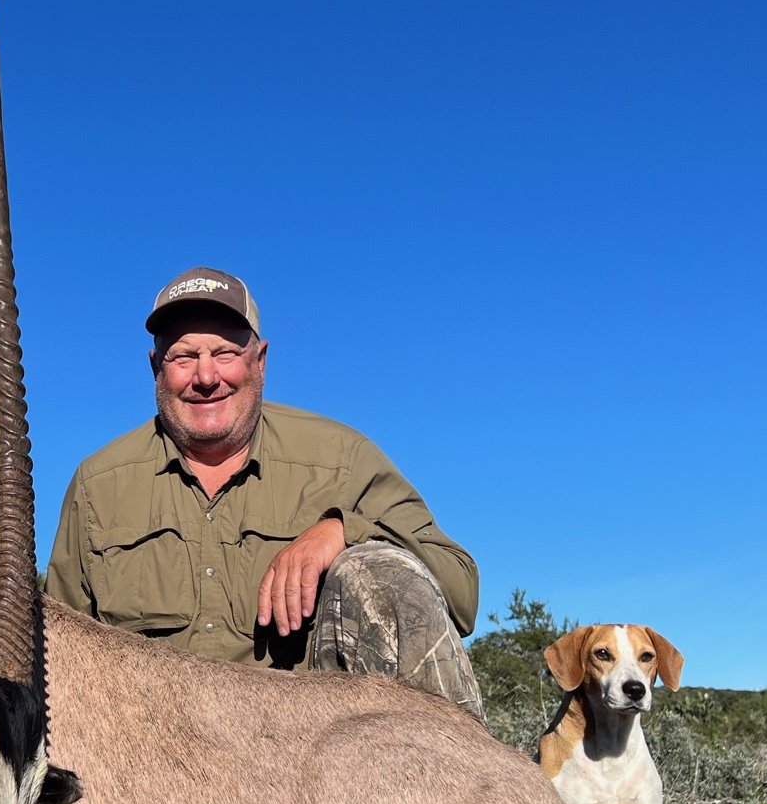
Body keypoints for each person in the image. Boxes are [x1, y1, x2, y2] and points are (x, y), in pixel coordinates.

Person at [45, 266, 486, 717]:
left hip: (314, 754)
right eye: (183, 357)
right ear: (156, 368)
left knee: (375, 567)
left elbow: (460, 589)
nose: (205, 376)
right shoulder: (98, 484)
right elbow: (57, 652)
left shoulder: (341, 458)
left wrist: (342, 532)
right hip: (151, 748)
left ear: (260, 361)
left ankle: (453, 785)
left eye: (225, 352)